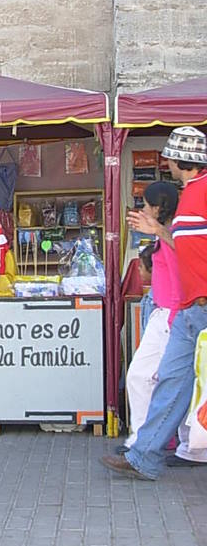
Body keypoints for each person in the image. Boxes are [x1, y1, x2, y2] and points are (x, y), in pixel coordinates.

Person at [101, 126, 207, 480]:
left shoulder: (200, 194)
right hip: (192, 308)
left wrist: (158, 231)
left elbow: (190, 249)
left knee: (173, 382)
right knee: (172, 382)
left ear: (179, 160)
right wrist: (159, 232)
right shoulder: (193, 193)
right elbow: (187, 248)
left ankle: (151, 453)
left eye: (170, 156)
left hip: (195, 308)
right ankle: (144, 456)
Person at [119, 183, 181, 454]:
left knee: (144, 376)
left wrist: (157, 229)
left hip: (172, 314)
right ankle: (154, 439)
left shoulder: (173, 231)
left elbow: (186, 251)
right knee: (150, 377)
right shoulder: (164, 234)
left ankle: (146, 440)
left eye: (145, 205)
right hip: (165, 312)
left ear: (157, 207)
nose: (143, 210)